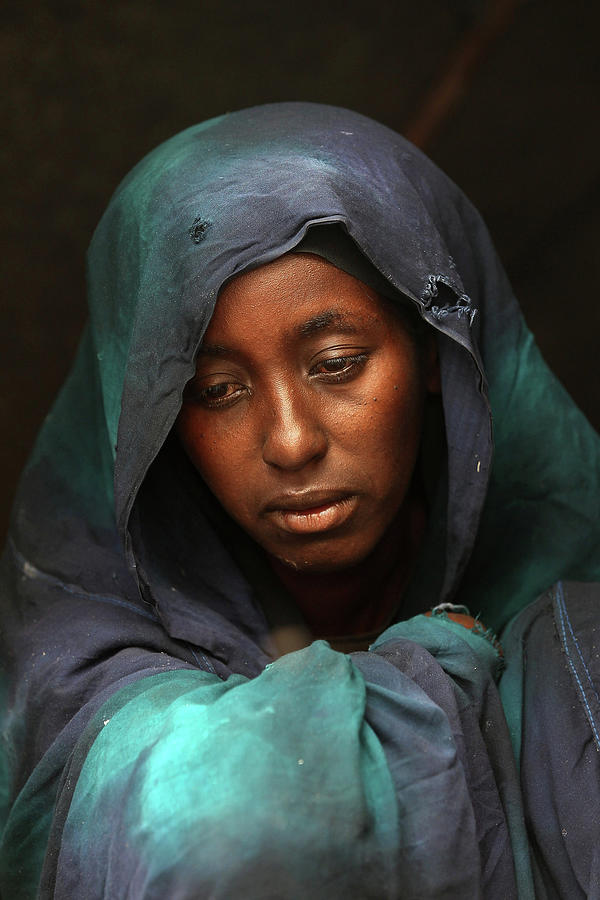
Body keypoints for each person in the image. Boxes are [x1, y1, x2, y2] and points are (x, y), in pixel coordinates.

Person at [0, 102, 598, 899]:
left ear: (432, 352)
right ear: (154, 419)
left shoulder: (574, 612)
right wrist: (443, 655)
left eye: (338, 362)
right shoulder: (74, 657)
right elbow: (215, 838)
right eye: (216, 389)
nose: (289, 441)